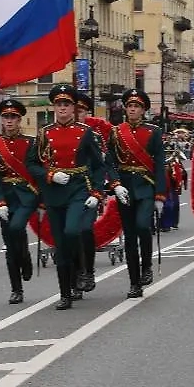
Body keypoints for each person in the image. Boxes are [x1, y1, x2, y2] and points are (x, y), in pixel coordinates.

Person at [26, 84, 107, 310]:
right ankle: (66, 292)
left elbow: (100, 167)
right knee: (61, 245)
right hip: (55, 193)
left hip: (79, 189)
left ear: (73, 108)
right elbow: (31, 164)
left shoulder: (85, 132)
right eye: (59, 104)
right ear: (54, 107)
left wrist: (97, 192)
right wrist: (50, 174)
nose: (62, 108)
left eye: (67, 104)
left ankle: (82, 269)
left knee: (74, 231)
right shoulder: (44, 133)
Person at [107, 89, 166, 299]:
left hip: (145, 186)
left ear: (143, 110)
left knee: (143, 226)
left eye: (137, 106)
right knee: (130, 238)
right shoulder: (116, 132)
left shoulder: (154, 131)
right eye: (130, 106)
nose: (133, 109)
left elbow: (159, 164)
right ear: (125, 108)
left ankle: (147, 265)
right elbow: (110, 161)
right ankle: (134, 282)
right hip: (125, 188)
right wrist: (115, 184)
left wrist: (160, 194)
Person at [0, 99, 38, 304]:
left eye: (13, 117)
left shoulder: (30, 143)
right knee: (9, 244)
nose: (9, 121)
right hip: (7, 197)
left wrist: (41, 197)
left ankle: (25, 255)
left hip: (26, 195)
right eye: (6, 117)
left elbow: (35, 171)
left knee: (17, 228)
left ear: (19, 119)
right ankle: (16, 289)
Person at [73, 92, 114, 294]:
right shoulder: (55, 134)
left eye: (81, 111)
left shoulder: (93, 137)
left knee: (84, 230)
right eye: (75, 110)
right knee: (68, 235)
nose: (77, 114)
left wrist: (100, 189)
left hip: (88, 190)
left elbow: (102, 165)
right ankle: (75, 275)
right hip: (64, 192)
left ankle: (87, 270)